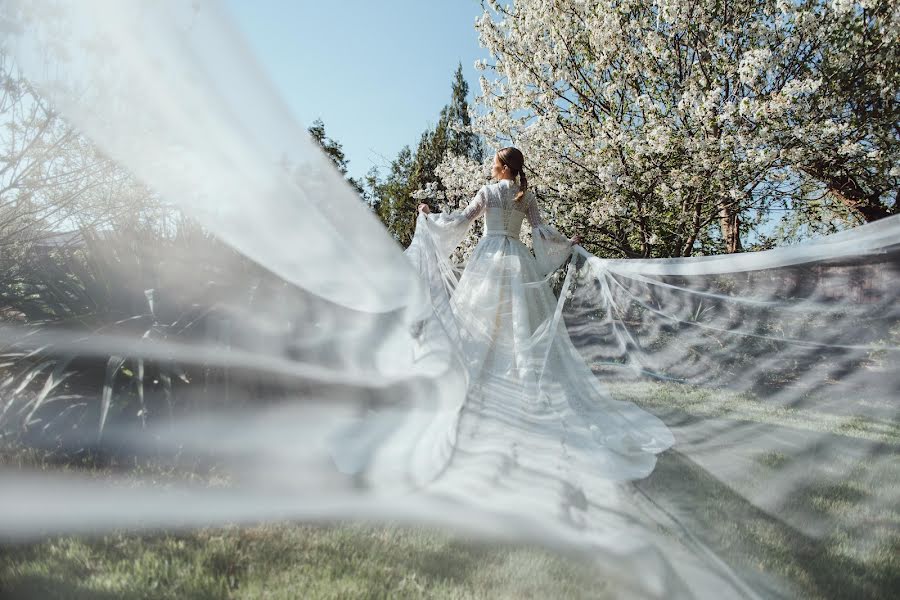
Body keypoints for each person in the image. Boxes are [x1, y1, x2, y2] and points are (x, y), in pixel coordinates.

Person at [406, 147, 674, 483]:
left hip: (488, 259)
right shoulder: (526, 196)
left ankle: (481, 396)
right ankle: (522, 387)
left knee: (482, 324)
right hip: (518, 259)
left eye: (494, 163)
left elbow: (460, 221)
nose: (490, 167)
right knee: (522, 325)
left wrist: (429, 218)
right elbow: (540, 233)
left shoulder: (488, 193)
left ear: (504, 168)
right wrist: (566, 243)